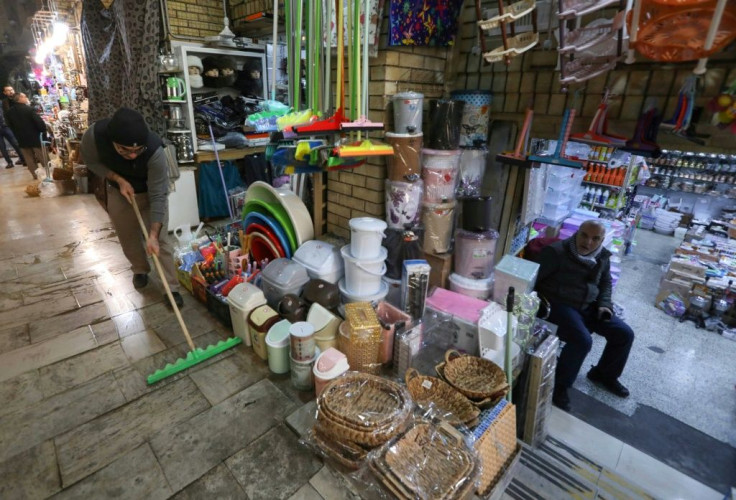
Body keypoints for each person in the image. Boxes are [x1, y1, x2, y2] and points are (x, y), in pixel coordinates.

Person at [81, 107, 183, 308]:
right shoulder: (94, 137)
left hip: (148, 190)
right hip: (118, 190)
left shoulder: (154, 151)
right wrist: (118, 180)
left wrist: (152, 235)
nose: (133, 156)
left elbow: (158, 196)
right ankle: (140, 268)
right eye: (125, 150)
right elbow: (92, 163)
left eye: (138, 150)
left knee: (160, 241)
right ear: (112, 142)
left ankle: (170, 288)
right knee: (127, 235)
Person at [535, 219, 634, 411]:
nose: (588, 243)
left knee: (624, 334)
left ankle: (604, 374)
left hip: (590, 306)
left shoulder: (602, 257)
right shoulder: (556, 253)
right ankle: (559, 387)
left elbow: (605, 284)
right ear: (577, 233)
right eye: (584, 236)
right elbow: (534, 280)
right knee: (582, 340)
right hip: (560, 305)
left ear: (602, 240)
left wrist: (605, 305)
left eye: (595, 239)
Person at [6, 93, 48, 179]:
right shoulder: (29, 109)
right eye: (24, 96)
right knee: (43, 156)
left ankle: (36, 175)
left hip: (21, 139)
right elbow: (39, 122)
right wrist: (43, 131)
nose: (26, 98)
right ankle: (49, 172)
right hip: (35, 137)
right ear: (20, 98)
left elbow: (10, 125)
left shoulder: (9, 112)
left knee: (29, 159)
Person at [0, 85, 25, 169]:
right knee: (3, 147)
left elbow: (5, 114)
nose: (10, 91)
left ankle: (22, 159)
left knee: (15, 143)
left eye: (11, 90)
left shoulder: (5, 102)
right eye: (8, 90)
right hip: (6, 126)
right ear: (4, 92)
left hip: (6, 126)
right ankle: (10, 162)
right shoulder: (4, 102)